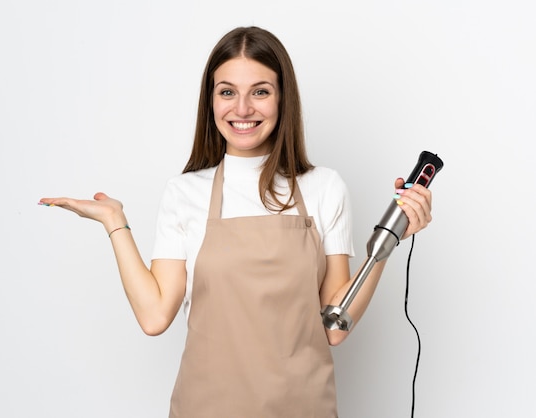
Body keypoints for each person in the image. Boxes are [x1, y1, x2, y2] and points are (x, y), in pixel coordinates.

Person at [39, 26, 432, 418]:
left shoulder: (324, 188)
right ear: (210, 101)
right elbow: (155, 315)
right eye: (227, 92)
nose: (242, 109)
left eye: (260, 91)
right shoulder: (184, 193)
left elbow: (334, 326)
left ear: (283, 99)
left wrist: (391, 238)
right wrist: (115, 222)